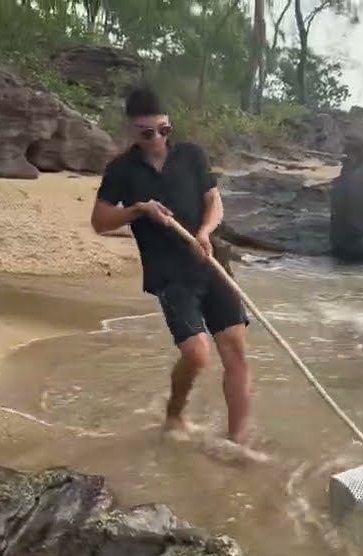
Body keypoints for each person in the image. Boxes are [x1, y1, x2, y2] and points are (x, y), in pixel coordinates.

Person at [89, 86, 253, 447]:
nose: (158, 139)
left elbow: (215, 202)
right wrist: (138, 209)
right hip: (169, 272)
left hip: (210, 261)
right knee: (196, 354)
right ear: (132, 132)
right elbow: (100, 221)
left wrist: (207, 233)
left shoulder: (191, 155)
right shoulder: (122, 170)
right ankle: (175, 414)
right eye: (148, 133)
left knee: (235, 348)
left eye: (164, 129)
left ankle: (239, 441)